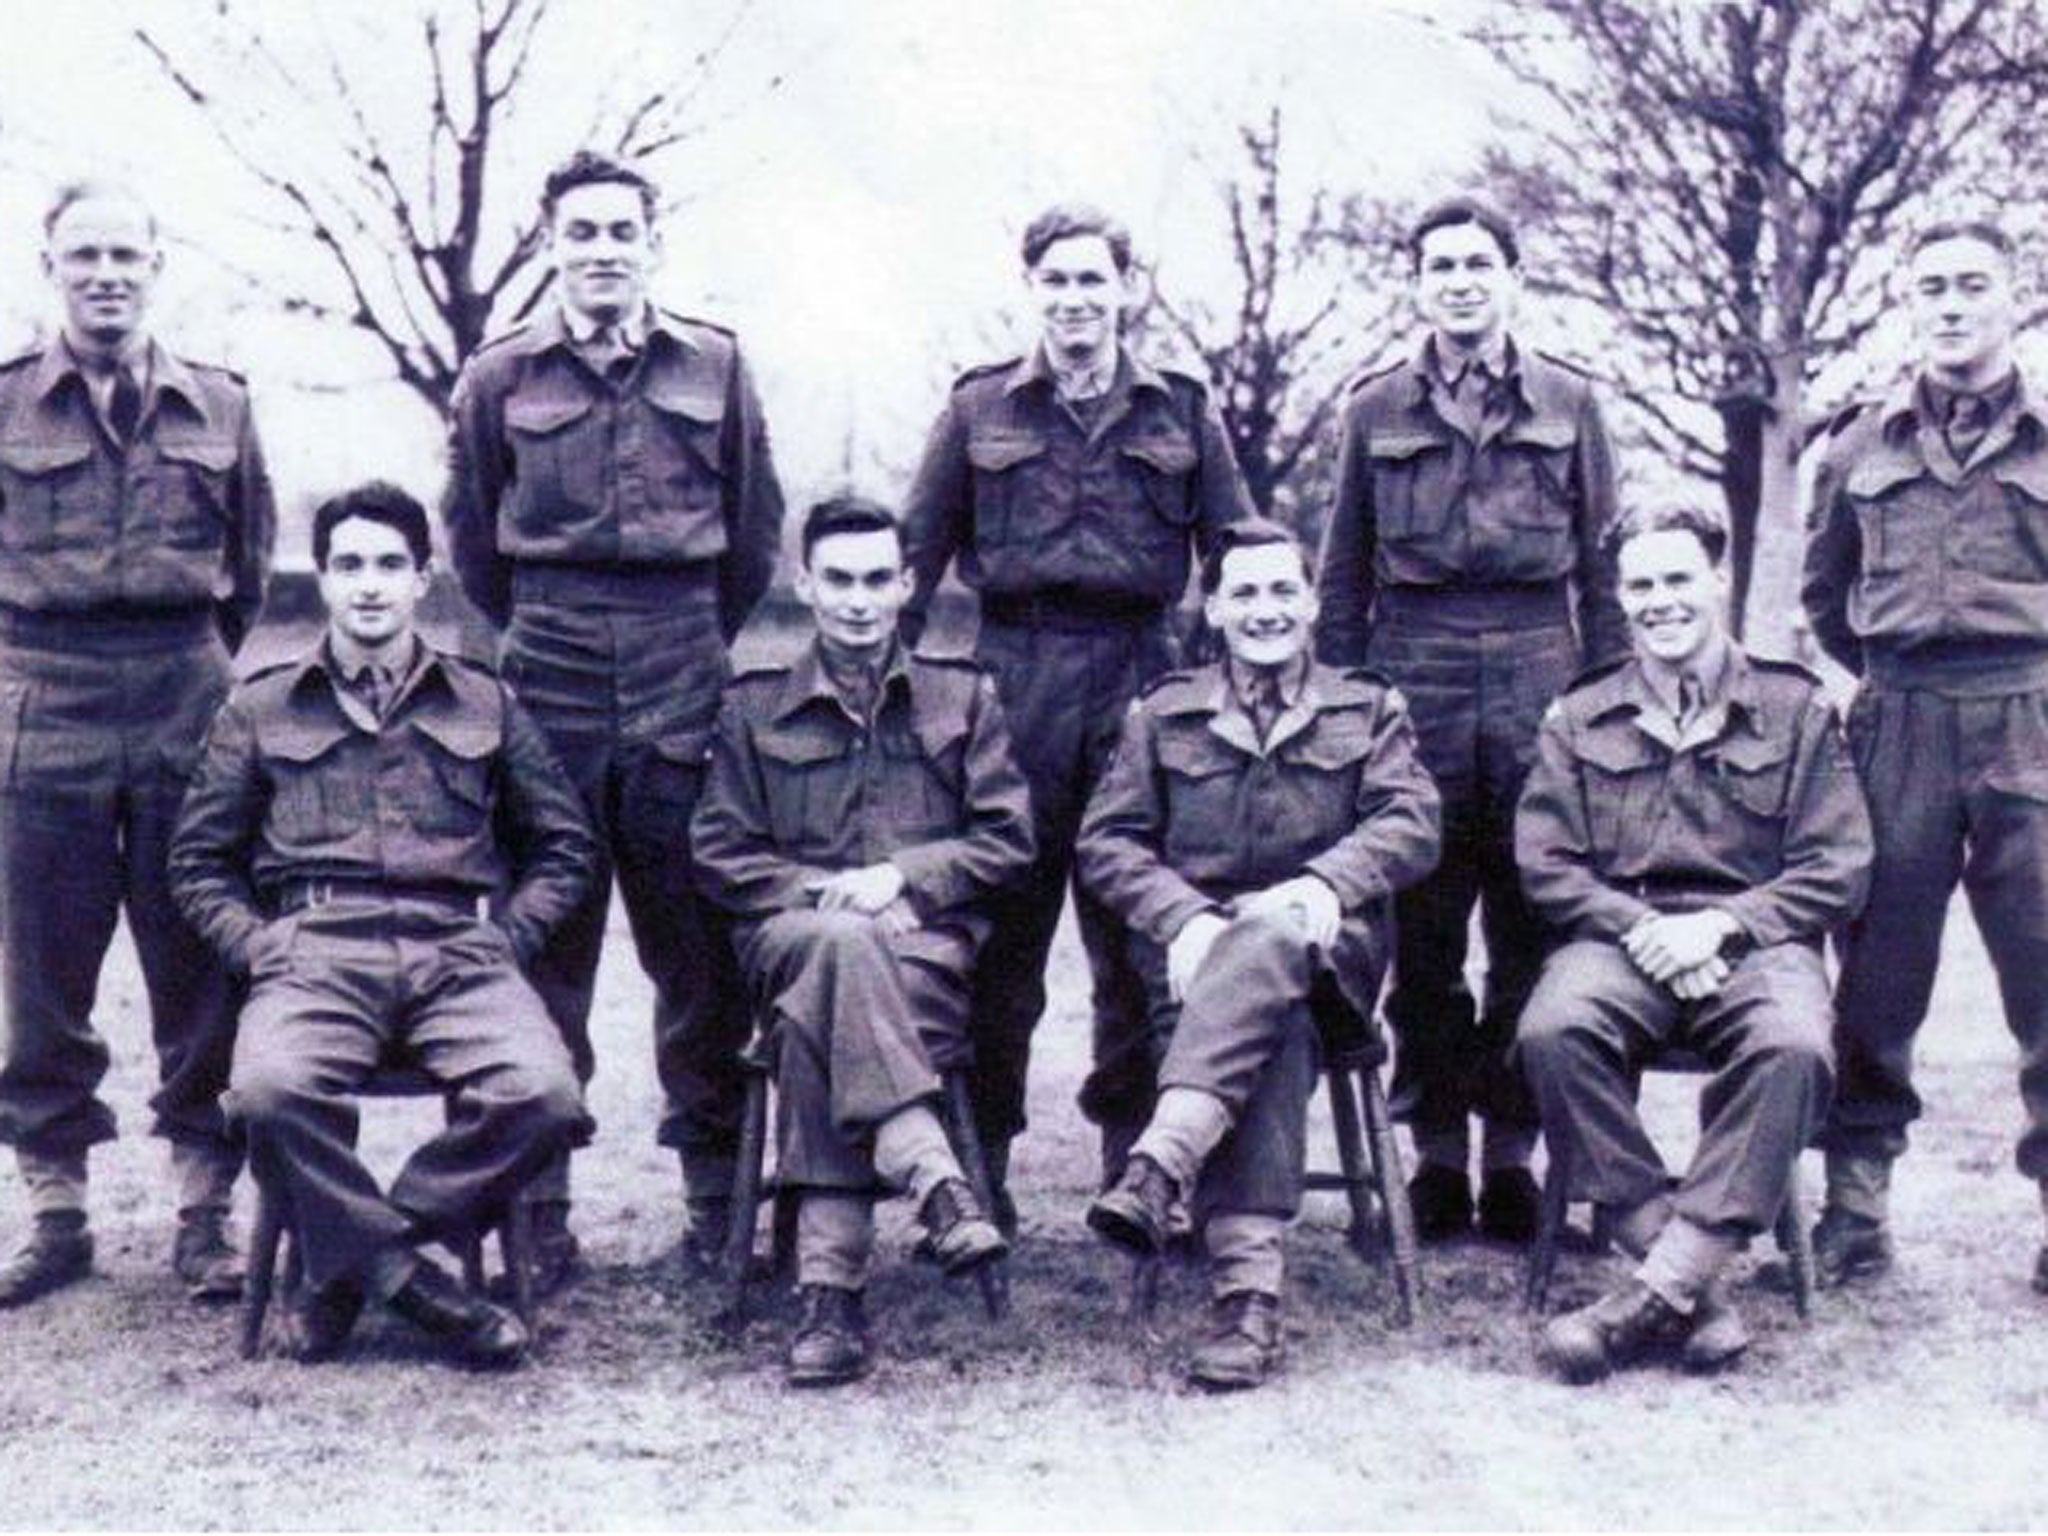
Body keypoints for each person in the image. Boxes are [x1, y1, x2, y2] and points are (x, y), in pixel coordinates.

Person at [442, 149, 785, 1282]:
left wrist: (686, 637)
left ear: (653, 243)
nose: (600, 252)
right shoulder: (498, 377)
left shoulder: (717, 365)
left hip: (683, 657)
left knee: (698, 952)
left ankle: (709, 1197)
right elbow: (471, 545)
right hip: (547, 661)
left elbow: (752, 528)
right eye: (579, 232)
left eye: (619, 232)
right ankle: (539, 1208)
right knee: (548, 940)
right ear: (549, 245)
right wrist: (546, 632)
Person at [169, 483, 595, 1366]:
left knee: (546, 1097)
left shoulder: (486, 703)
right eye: (349, 565)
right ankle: (415, 1282)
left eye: (389, 565)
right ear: (321, 579)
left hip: (460, 952)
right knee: (269, 1095)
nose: (369, 585)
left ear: (424, 578)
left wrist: (505, 940)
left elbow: (563, 846)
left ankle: (348, 1267)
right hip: (315, 953)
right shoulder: (260, 705)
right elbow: (198, 861)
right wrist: (260, 946)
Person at [901, 203, 1253, 1205]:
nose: (1074, 300)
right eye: (1055, 281)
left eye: (1092, 280)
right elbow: (914, 558)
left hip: (1145, 680)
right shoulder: (979, 410)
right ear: (1031, 292)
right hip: (1011, 682)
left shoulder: (1179, 409)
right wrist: (897, 697)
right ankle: (984, 1165)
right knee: (1003, 940)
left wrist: (1218, 693)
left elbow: (1234, 557)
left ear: (1125, 290)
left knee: (1138, 933)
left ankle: (1135, 1169)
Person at [1315, 196, 1627, 1243]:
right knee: (1426, 930)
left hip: (1543, 666)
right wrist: (1348, 711)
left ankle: (1513, 1157)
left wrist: (1607, 704)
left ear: (1509, 278)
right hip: (1416, 671)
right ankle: (1435, 1153)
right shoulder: (1371, 410)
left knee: (1533, 921)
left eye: (1478, 263)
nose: (1459, 280)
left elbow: (1602, 570)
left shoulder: (1571, 401)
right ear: (1414, 283)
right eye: (1439, 264)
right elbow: (1341, 573)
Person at [1078, 520, 1441, 1390]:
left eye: (1283, 591)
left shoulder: (1368, 708)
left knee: (1276, 950)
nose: (1265, 610)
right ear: (1212, 609)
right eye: (1244, 592)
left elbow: (1412, 820)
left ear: (1314, 604)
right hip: (1196, 966)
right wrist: (1185, 920)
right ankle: (1248, 1299)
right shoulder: (1163, 714)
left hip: (1332, 962)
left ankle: (1161, 1162)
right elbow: (1109, 842)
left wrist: (1323, 885)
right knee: (1264, 1015)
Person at [1517, 504, 1871, 1382]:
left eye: (1679, 578)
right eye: (1640, 584)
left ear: (1720, 580)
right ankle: (1691, 1285)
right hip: (1619, 935)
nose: (1660, 600)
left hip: (1757, 935)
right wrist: (1645, 928)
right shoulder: (1581, 713)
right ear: (1619, 596)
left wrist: (1722, 924)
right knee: (1552, 1034)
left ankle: (1647, 1295)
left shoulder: (1794, 708)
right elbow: (1547, 863)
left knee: (1792, 1046)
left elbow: (1839, 862)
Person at [0, 181, 275, 1307]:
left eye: (126, 252)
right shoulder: (7, 403)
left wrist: (195, 668)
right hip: (42, 702)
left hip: (183, 694)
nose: (105, 273)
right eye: (83, 255)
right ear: (47, 265)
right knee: (40, 973)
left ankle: (202, 1218)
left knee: (197, 962)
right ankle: (55, 1216)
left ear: (158, 262)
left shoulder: (221, 402)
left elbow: (249, 569)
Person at [693, 494, 1033, 1386]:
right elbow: (721, 850)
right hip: (791, 939)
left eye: (877, 579)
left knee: (823, 1015)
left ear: (907, 584)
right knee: (834, 951)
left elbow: (1007, 840)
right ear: (804, 585)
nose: (858, 600)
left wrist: (903, 877)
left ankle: (830, 1300)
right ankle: (934, 1179)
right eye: (838, 579)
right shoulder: (755, 704)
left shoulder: (963, 697)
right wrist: (822, 894)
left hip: (922, 948)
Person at [1802, 218, 2048, 1291]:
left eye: (1971, 286)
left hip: (2028, 721)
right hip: (1895, 717)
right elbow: (1824, 595)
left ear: (2013, 297)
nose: (1949, 306)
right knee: (1875, 976)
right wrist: (1889, 677)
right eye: (1930, 289)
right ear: (1910, 303)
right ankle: (1854, 1214)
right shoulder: (1858, 443)